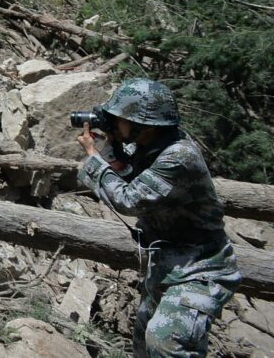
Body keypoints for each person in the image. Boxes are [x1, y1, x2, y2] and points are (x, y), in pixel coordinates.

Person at [76, 78, 239, 357]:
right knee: (144, 343)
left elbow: (129, 199)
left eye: (119, 118)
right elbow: (123, 173)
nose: (113, 122)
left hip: (199, 269)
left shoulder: (177, 157)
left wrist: (93, 156)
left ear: (145, 124)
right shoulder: (149, 146)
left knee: (165, 342)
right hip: (165, 264)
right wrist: (113, 145)